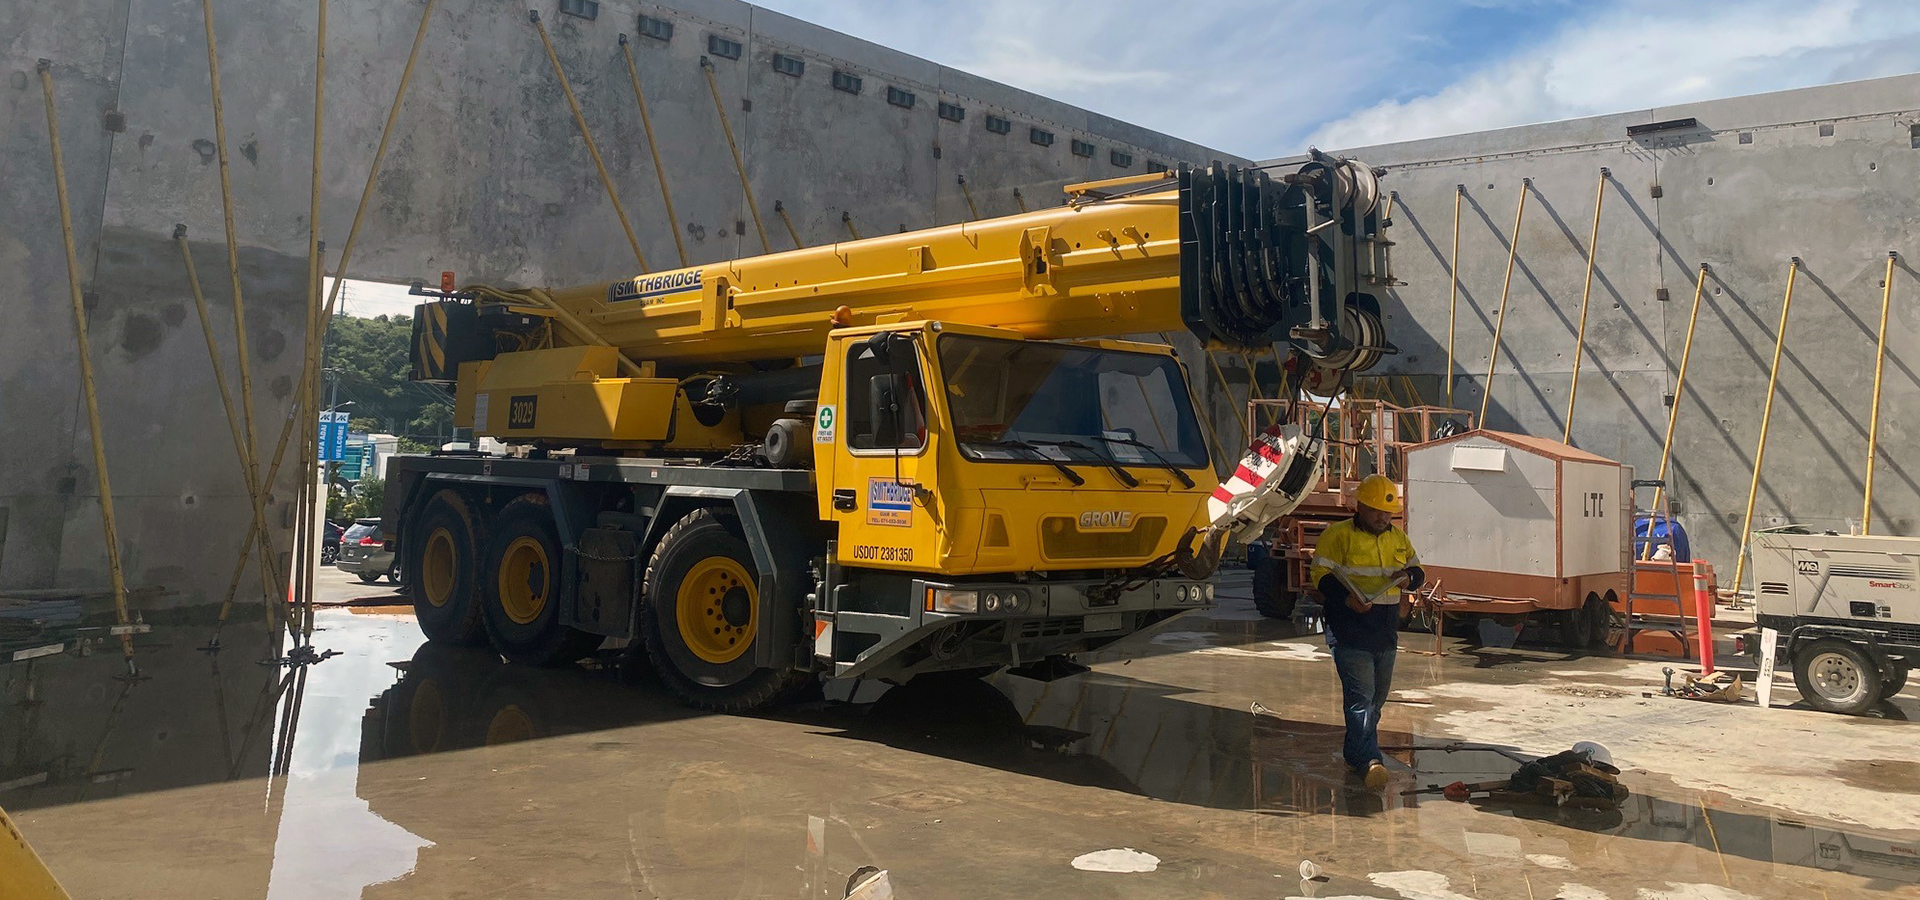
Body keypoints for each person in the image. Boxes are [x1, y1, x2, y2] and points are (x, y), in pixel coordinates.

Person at [1309, 473, 1424, 790]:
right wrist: (1346, 598)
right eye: (1375, 511)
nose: (1382, 517)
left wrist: (1409, 578)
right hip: (1349, 632)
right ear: (1359, 506)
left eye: (1387, 512)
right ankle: (1370, 760)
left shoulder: (1398, 538)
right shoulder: (1338, 536)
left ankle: (1355, 753)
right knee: (1361, 699)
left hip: (1384, 633)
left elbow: (1418, 571)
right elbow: (1320, 574)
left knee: (1376, 701)